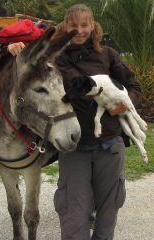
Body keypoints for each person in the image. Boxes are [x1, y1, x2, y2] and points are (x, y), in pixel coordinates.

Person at [8, 4, 142, 240]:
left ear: (93, 26)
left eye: (85, 25)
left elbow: (133, 86)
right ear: (65, 27)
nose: (79, 30)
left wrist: (126, 103)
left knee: (107, 212)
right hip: (75, 149)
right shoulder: (52, 58)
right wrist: (13, 48)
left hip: (109, 146)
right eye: (73, 25)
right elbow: (24, 67)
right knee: (73, 214)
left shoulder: (108, 55)